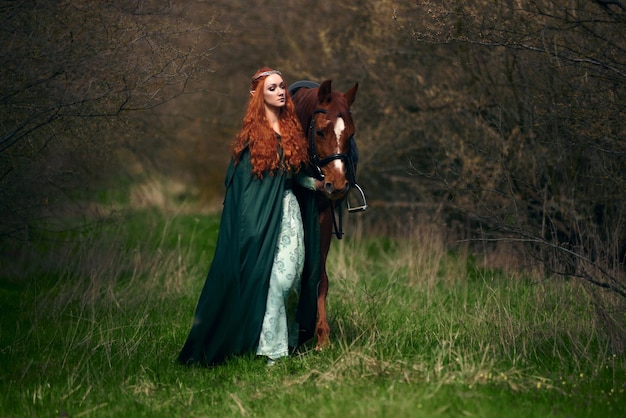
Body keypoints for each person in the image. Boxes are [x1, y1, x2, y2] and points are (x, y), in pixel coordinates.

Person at [177, 67, 322, 366]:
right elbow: (244, 191)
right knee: (273, 282)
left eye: (282, 86)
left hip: (289, 215)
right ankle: (273, 351)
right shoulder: (252, 139)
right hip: (260, 221)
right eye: (272, 88)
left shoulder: (292, 130)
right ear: (259, 95)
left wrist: (314, 184)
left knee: (288, 282)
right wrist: (251, 228)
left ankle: (284, 339)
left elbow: (293, 178)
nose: (281, 91)